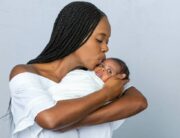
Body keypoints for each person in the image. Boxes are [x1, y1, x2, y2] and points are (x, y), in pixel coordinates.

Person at [9, 1, 147, 138]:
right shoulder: (25, 73)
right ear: (76, 35)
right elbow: (50, 119)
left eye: (107, 42)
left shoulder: (94, 76)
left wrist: (70, 122)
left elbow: (138, 101)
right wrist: (106, 93)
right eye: (99, 40)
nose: (106, 48)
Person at [48, 57, 130, 138]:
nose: (102, 70)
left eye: (109, 71)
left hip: (76, 117)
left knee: (101, 125)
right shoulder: (83, 74)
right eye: (102, 65)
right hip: (59, 106)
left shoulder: (110, 90)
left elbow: (116, 109)